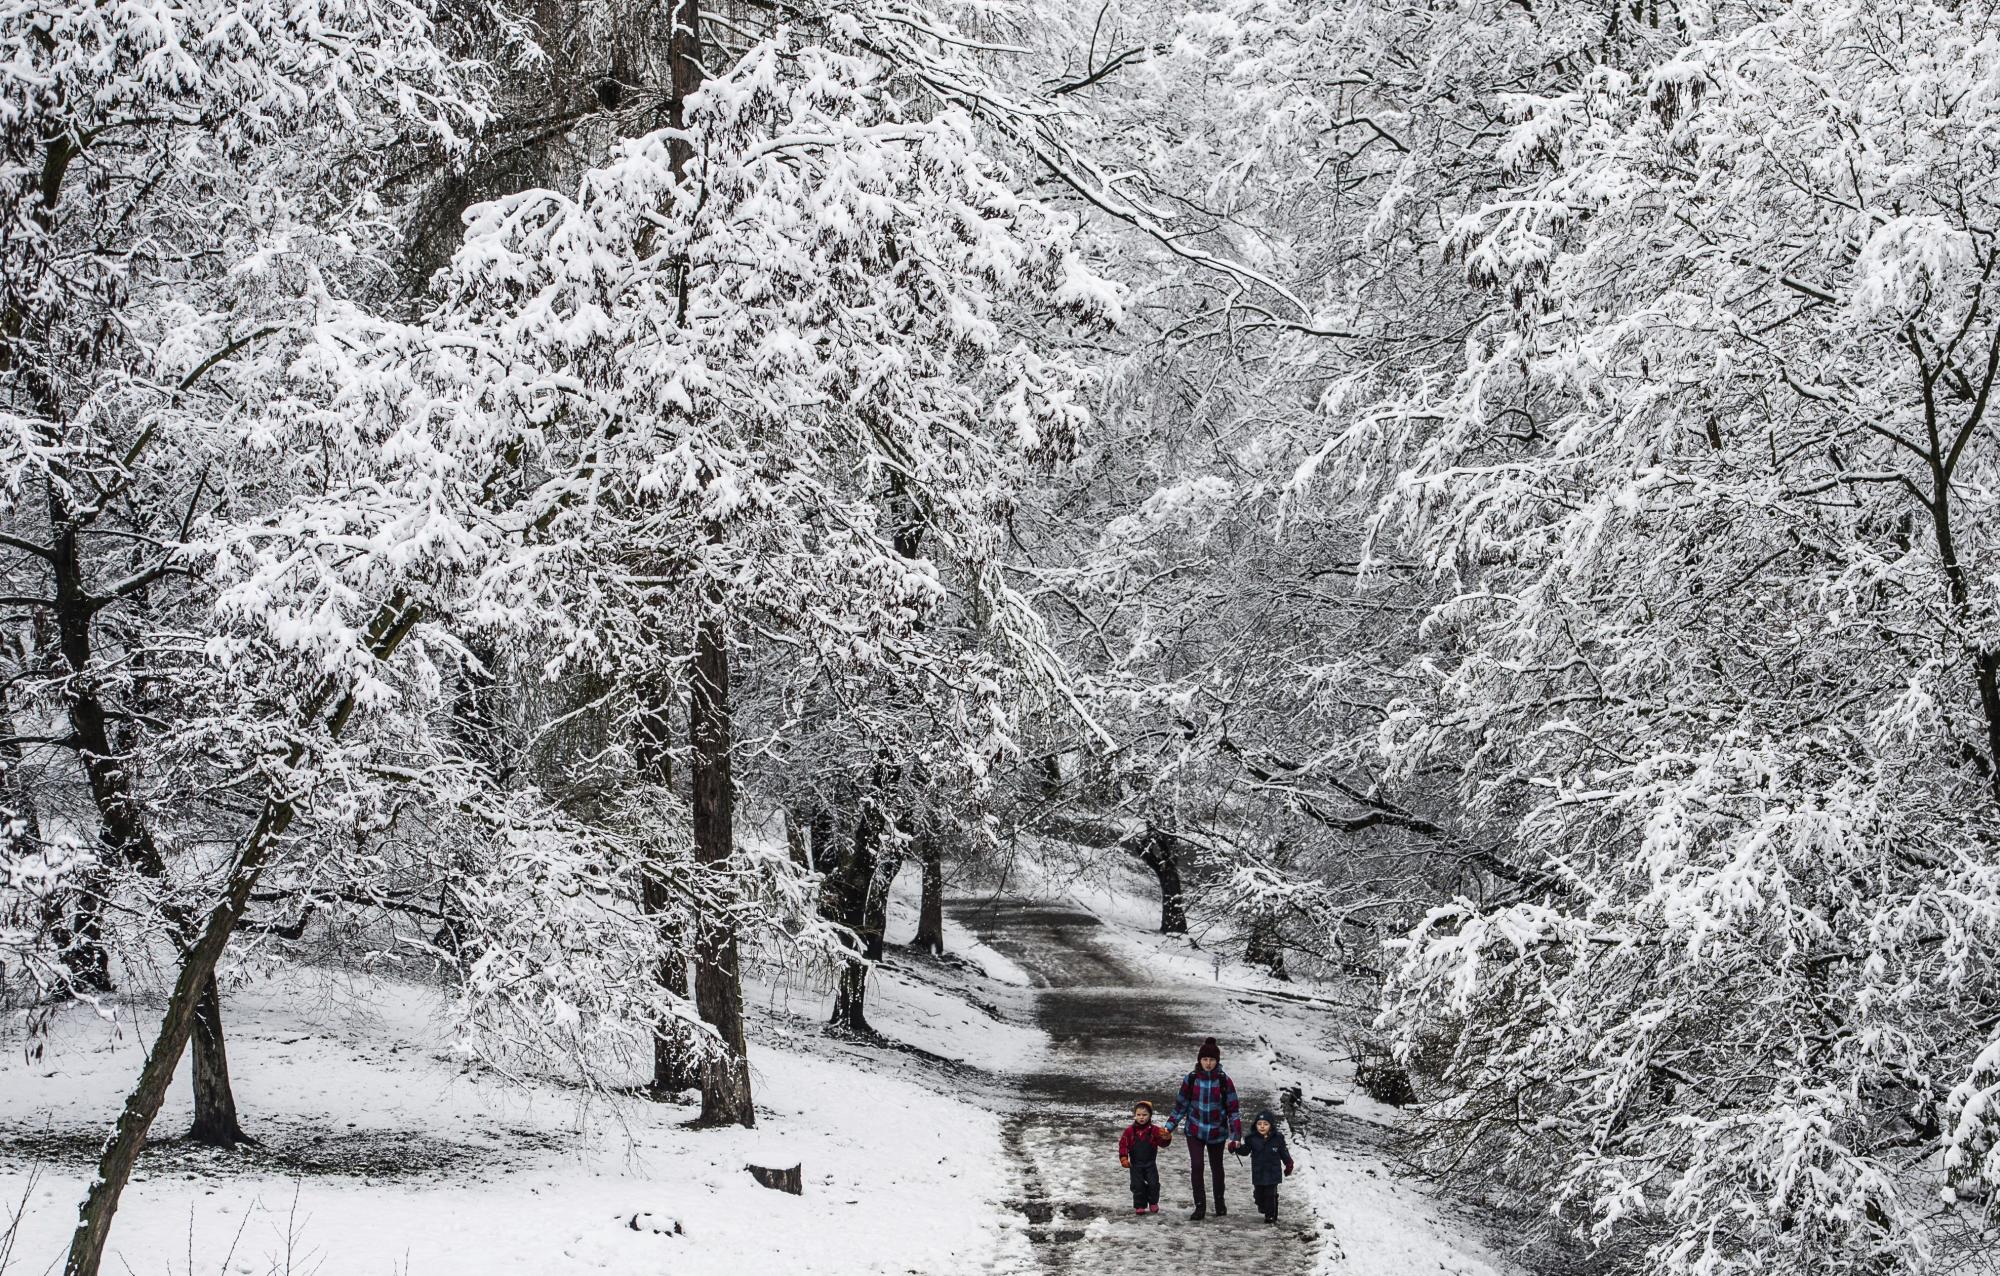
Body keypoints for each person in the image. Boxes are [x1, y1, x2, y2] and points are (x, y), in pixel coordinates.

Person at [1164, 1036, 1241, 1221]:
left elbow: (1233, 1110)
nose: (1208, 1063)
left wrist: (1235, 1136)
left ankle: (1219, 1201)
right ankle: (1200, 1206)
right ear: (1199, 1060)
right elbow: (1181, 1106)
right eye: (1205, 1059)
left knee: (1217, 1167)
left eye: (1212, 1060)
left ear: (1217, 1061)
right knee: (1197, 1166)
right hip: (1195, 1130)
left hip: (1217, 1131)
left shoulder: (1224, 1081)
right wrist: (1168, 1127)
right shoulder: (1191, 1079)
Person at [1232, 1110, 1294, 1223]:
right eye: (1259, 1124)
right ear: (1255, 1125)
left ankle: (1270, 1216)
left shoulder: (1278, 1139)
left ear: (1271, 1125)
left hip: (1273, 1172)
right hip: (1258, 1172)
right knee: (1258, 1196)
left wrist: (1288, 1163)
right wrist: (1235, 1148)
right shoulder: (1252, 1139)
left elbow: (1284, 1153)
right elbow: (1245, 1151)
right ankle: (1264, 1206)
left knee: (1270, 1195)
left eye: (1265, 1124)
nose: (1262, 1127)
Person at [1116, 1099, 1172, 1215]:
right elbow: (1123, 1145)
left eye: (1145, 1115)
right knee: (1137, 1186)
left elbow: (1162, 1143)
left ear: (1150, 1115)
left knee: (1153, 1184)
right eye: (1138, 1115)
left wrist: (1166, 1138)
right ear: (1135, 1115)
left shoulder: (1155, 1130)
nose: (1141, 1117)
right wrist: (1123, 1158)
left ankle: (1153, 1202)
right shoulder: (1130, 1131)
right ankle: (1140, 1205)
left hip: (1150, 1164)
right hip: (1135, 1164)